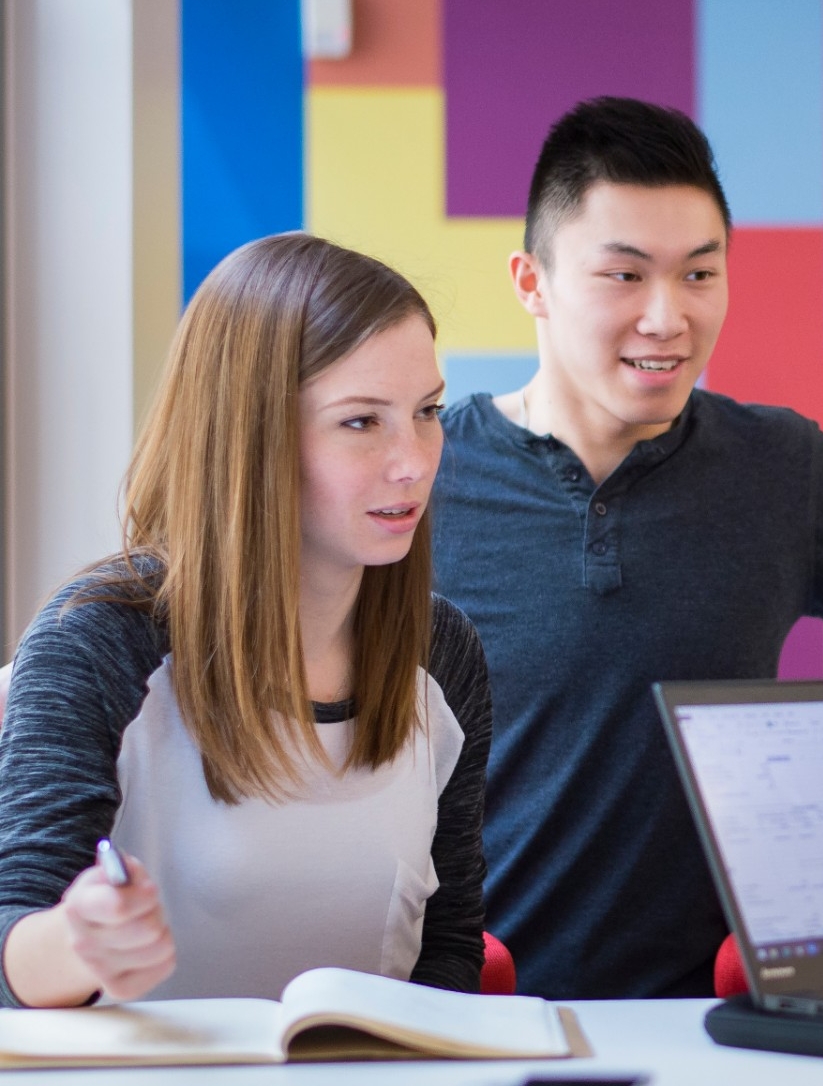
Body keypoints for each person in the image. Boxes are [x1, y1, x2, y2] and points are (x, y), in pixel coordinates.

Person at [430, 97, 823, 1000]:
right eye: (624, 277)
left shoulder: (786, 468)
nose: (668, 317)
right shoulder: (424, 478)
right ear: (531, 282)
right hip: (471, 1015)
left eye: (700, 275)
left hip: (717, 1020)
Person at [0, 233, 490, 1006]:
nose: (415, 459)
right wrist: (79, 940)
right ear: (250, 433)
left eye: (427, 411)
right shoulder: (98, 637)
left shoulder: (442, 649)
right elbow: (12, 948)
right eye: (362, 421)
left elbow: (451, 948)